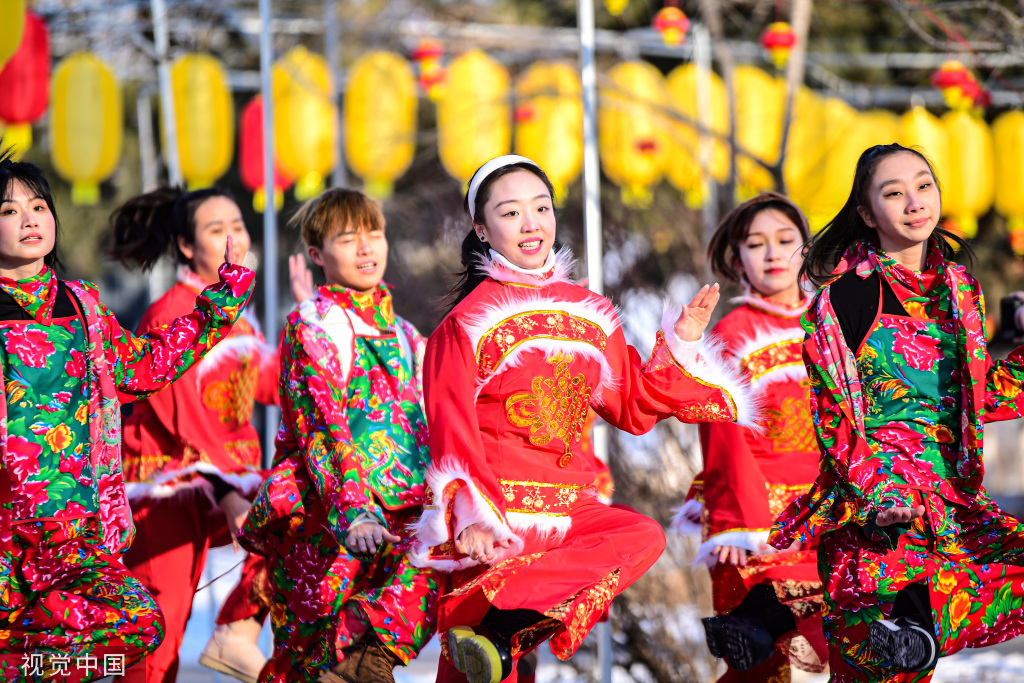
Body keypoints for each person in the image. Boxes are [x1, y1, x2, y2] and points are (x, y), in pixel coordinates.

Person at [413, 155, 759, 683]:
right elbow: (450, 424)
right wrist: (472, 516)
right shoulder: (469, 323)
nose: (531, 224)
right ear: (482, 229)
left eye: (541, 208)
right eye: (510, 213)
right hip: (501, 516)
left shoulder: (589, 312)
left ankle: (507, 622)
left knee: (642, 534)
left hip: (574, 517)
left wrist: (683, 342)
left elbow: (633, 406)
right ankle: (502, 625)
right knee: (480, 676)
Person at [770, 143, 1024, 681]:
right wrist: (881, 496)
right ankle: (915, 616)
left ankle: (924, 616)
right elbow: (833, 418)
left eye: (924, 185)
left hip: (951, 509)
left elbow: (980, 399)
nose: (915, 202)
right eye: (894, 192)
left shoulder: (960, 289)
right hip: (877, 515)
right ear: (866, 214)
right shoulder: (846, 298)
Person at [0, 150, 254, 681]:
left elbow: (147, 366)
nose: (29, 220)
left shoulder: (84, 304)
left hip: (78, 534)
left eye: (39, 207)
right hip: (10, 536)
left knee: (137, 626)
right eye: (8, 211)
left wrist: (223, 299)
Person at [107, 187, 311, 683]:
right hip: (165, 490)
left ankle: (236, 631)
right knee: (158, 630)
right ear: (186, 246)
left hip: (221, 481)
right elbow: (185, 416)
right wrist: (227, 492)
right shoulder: (172, 311)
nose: (232, 238)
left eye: (237, 226)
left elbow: (270, 383)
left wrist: (310, 325)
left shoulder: (238, 315)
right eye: (216, 230)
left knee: (296, 520)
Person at [239, 188, 437, 683]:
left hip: (400, 526)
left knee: (372, 650)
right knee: (309, 664)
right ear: (316, 256)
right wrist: (355, 513)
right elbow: (323, 429)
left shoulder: (410, 337)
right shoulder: (313, 327)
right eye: (349, 239)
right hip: (327, 525)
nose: (367, 248)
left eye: (375, 234)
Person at [672, 193, 827, 679]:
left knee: (842, 638)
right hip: (759, 516)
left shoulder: (833, 320)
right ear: (736, 259)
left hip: (829, 510)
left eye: (785, 240)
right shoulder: (733, 334)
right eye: (756, 244)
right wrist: (738, 522)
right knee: (762, 660)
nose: (773, 253)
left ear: (806, 249)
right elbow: (720, 434)